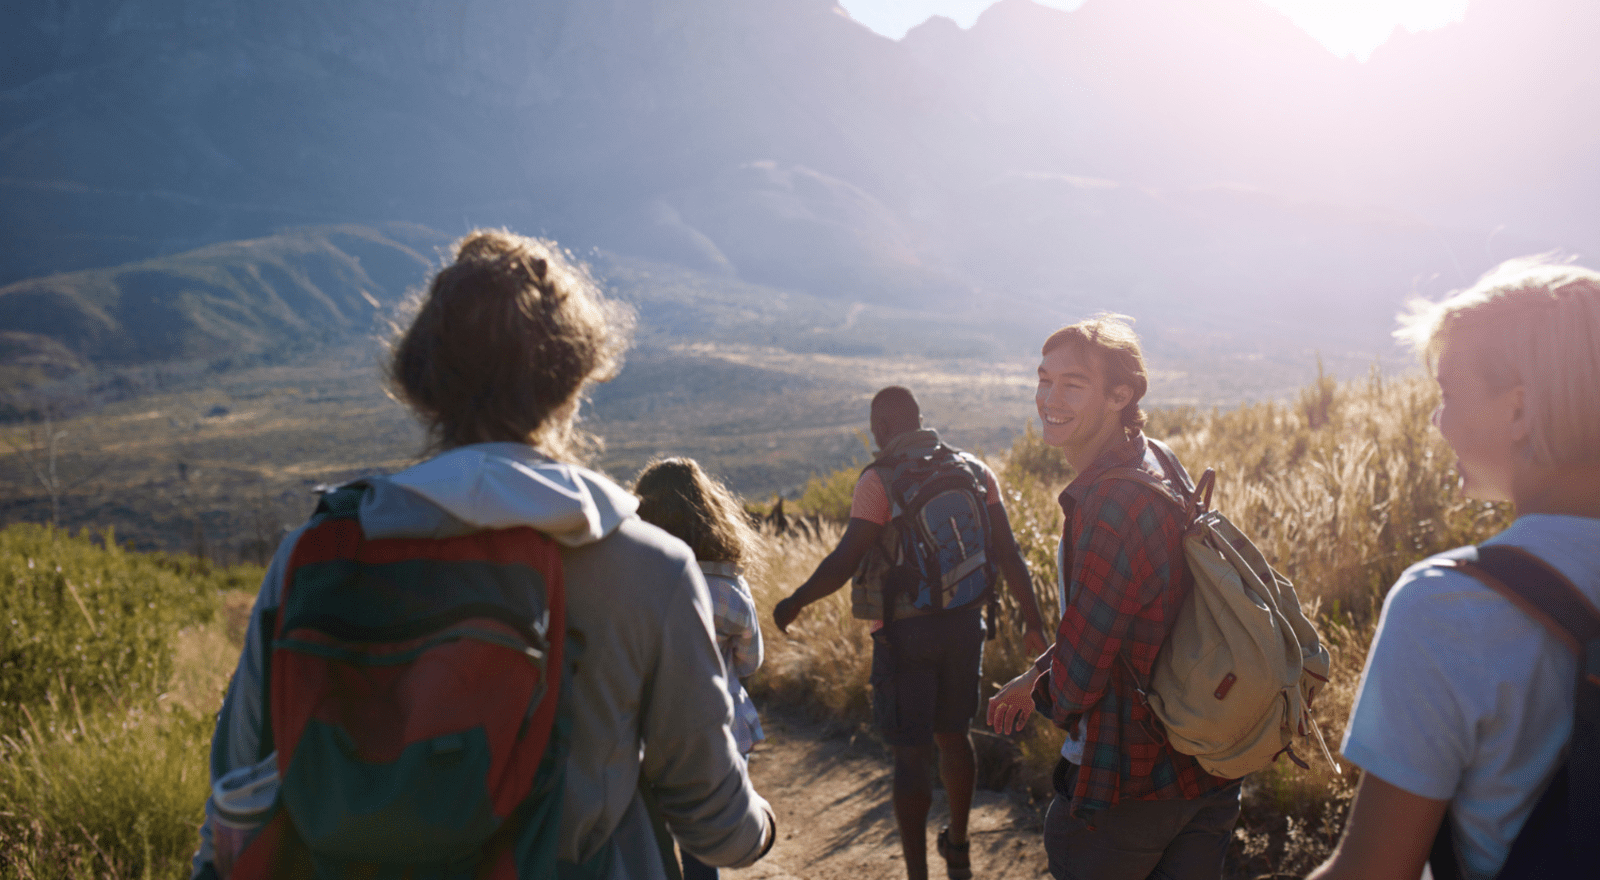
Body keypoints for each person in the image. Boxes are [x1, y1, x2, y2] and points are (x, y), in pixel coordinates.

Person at [191, 229, 774, 879]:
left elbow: (238, 797)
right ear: (575, 375)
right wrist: (761, 834)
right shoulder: (649, 567)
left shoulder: (317, 552)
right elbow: (713, 821)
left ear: (419, 379)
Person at [1306, 258, 1600, 880]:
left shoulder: (1447, 606)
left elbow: (1372, 871)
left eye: (1448, 394)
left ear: (1520, 411)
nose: (1437, 422)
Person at [986, 315, 1241, 880]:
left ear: (1121, 394)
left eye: (1073, 383)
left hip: (1124, 786)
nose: (1049, 398)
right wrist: (1037, 673)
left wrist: (1051, 690)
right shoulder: (1159, 460)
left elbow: (1080, 681)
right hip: (1206, 769)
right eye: (1044, 379)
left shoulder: (1109, 506)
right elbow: (1132, 611)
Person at [772, 385, 1048, 880]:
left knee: (910, 756)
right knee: (955, 739)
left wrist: (795, 601)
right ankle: (959, 849)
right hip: (966, 626)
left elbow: (845, 560)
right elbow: (1008, 553)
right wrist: (1034, 621)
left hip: (904, 635)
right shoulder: (974, 470)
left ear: (879, 429)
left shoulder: (880, 481)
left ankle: (918, 873)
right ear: (920, 419)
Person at [633, 457, 769, 880]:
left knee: (655, 842)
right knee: (703, 849)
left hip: (651, 732)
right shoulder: (729, 586)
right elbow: (751, 661)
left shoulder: (639, 581)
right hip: (722, 731)